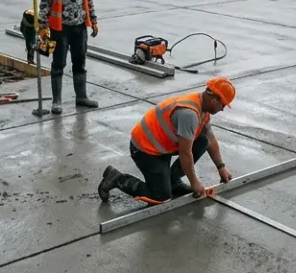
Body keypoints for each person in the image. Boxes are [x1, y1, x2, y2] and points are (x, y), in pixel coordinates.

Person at [97, 78, 237, 203]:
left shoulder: (202, 108)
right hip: (145, 150)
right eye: (223, 105)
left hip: (161, 146)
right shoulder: (189, 114)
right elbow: (185, 152)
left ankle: (173, 181)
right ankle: (116, 178)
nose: (223, 109)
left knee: (203, 140)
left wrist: (221, 167)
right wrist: (194, 182)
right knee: (161, 197)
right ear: (215, 99)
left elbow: (210, 138)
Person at [37, 0, 98, 114]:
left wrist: (93, 20)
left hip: (80, 26)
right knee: (58, 64)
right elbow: (45, 3)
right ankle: (57, 101)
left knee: (80, 62)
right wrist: (42, 26)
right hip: (60, 28)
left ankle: (81, 97)